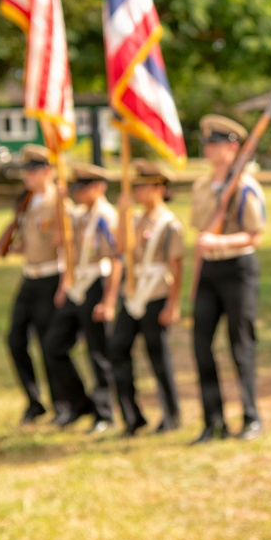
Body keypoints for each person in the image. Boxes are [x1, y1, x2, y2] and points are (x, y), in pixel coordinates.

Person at [190, 114, 265, 444]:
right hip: (209, 271)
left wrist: (219, 241)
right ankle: (213, 421)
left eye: (216, 143)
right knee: (200, 346)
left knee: (241, 346)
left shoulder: (246, 186)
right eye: (207, 143)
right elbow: (200, 233)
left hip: (237, 270)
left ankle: (251, 417)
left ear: (233, 148)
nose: (209, 148)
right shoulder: (201, 185)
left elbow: (254, 236)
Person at [105, 159, 184, 436]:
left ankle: (171, 415)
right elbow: (120, 248)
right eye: (136, 187)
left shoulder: (169, 224)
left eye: (143, 187)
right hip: (132, 294)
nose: (138, 192)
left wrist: (173, 304)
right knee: (117, 349)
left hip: (156, 294)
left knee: (157, 357)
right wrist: (122, 213)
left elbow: (176, 266)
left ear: (159, 188)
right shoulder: (135, 220)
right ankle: (132, 416)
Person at [0, 144, 63, 424]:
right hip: (29, 277)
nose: (26, 177)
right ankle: (34, 401)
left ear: (47, 171)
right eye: (25, 172)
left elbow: (62, 244)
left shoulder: (58, 202)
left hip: (50, 277)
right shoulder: (27, 201)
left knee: (47, 344)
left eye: (32, 172)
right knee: (15, 339)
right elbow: (29, 239)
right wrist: (7, 248)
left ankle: (60, 403)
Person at [42, 162, 119, 432]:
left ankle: (105, 413)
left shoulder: (106, 216)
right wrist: (64, 284)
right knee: (53, 345)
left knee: (98, 352)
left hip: (97, 283)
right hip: (76, 286)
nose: (78, 193)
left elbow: (116, 259)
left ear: (99, 187)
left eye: (83, 187)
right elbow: (62, 242)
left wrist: (108, 300)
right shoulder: (79, 215)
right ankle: (78, 402)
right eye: (76, 188)